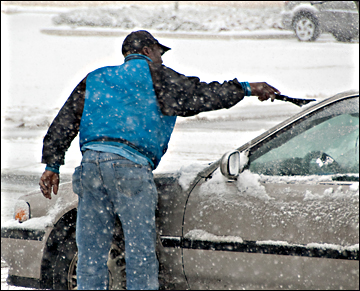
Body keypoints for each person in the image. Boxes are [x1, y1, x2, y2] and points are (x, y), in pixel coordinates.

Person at [39, 30, 280, 290]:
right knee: (139, 252)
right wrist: (246, 88)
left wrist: (52, 165)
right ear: (146, 50)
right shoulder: (157, 76)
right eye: (159, 53)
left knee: (91, 252)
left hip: (90, 169)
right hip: (129, 168)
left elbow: (64, 121)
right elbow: (201, 95)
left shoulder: (96, 78)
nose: (162, 59)